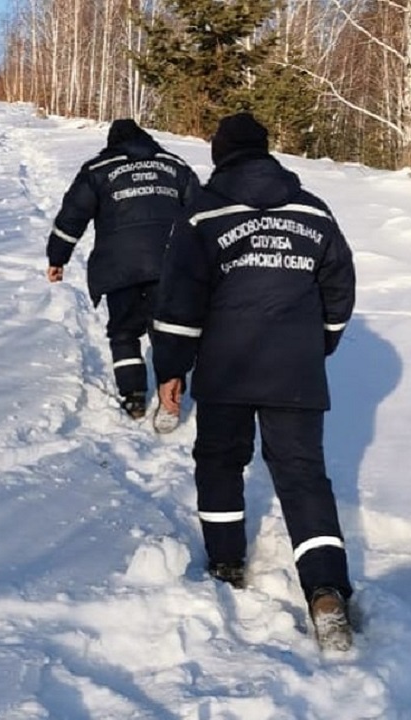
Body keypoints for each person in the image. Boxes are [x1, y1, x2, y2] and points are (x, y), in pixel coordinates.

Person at [150, 112, 358, 651]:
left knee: (220, 461)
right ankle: (327, 590)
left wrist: (171, 367)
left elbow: (178, 301)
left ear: (220, 155)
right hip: (296, 371)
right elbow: (339, 288)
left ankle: (224, 562)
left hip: (227, 367)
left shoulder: (202, 214)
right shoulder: (314, 211)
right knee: (304, 477)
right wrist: (321, 343)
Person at [46, 118, 199, 423]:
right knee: (166, 330)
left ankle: (133, 396)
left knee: (124, 330)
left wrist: (57, 258)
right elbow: (200, 213)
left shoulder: (98, 169)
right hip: (169, 263)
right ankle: (172, 387)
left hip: (118, 267)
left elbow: (73, 216)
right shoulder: (175, 166)